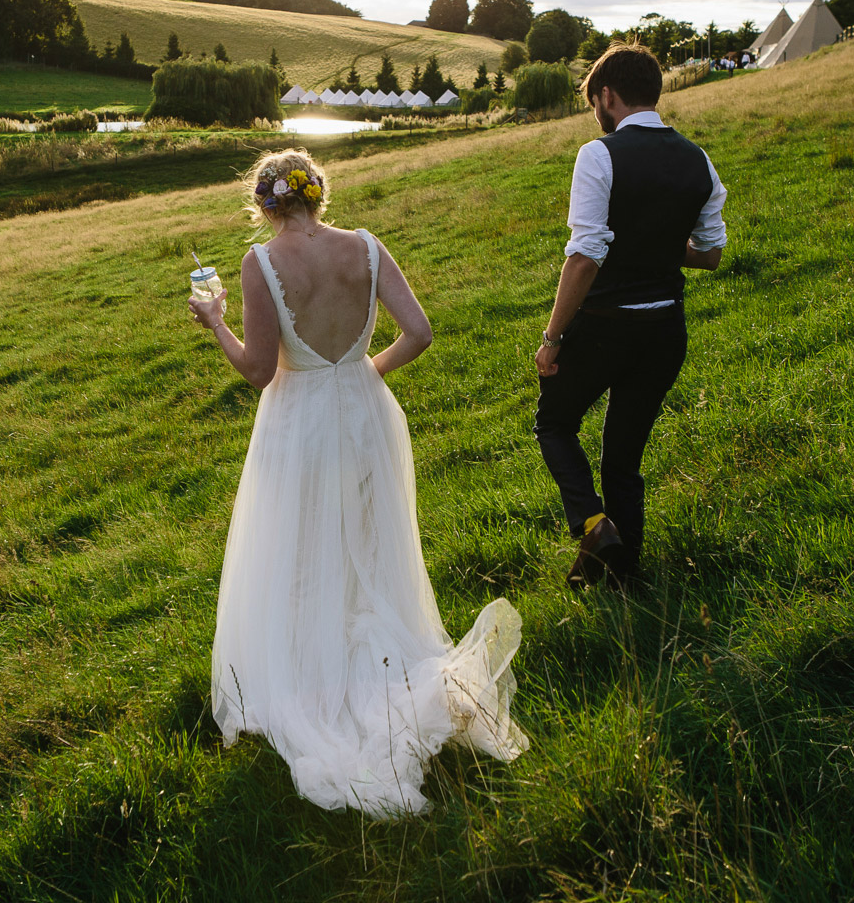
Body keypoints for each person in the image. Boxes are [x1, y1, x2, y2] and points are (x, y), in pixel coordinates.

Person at [187, 149, 527, 816]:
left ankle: (313, 673)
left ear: (264, 203)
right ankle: (375, 656)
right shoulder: (367, 247)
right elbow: (420, 332)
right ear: (317, 193)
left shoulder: (260, 265)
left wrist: (216, 323)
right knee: (367, 547)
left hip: (301, 419)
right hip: (367, 413)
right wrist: (368, 370)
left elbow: (259, 371)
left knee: (301, 550)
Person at [534, 44, 727, 589]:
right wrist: (660, 243)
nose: (596, 112)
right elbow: (709, 255)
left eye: (595, 101)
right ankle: (622, 578)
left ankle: (594, 525)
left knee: (554, 422)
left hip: (603, 328)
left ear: (607, 96)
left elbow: (586, 254)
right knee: (624, 457)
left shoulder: (599, 155)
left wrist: (552, 338)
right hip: (665, 330)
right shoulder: (700, 160)